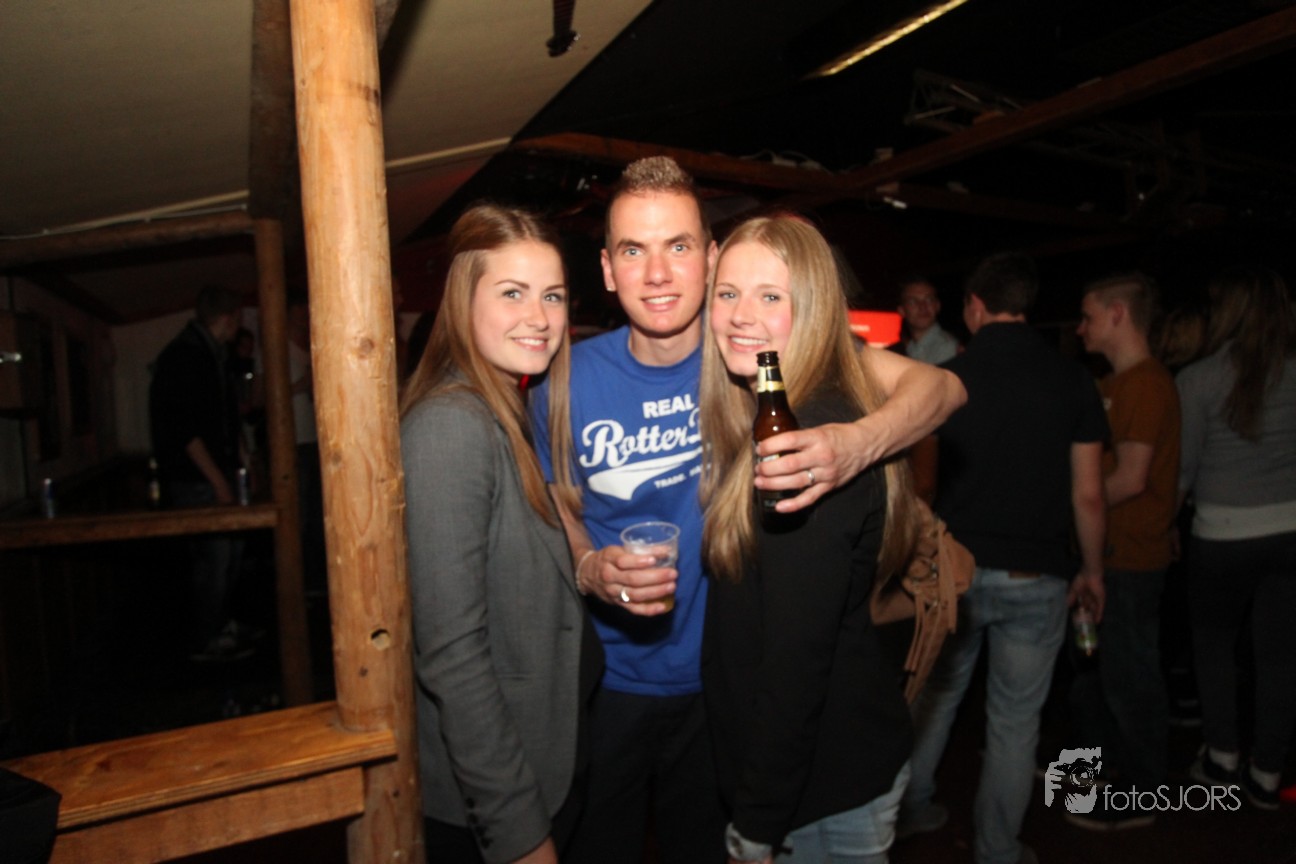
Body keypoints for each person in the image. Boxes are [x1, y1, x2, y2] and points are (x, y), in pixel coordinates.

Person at [530, 156, 966, 864]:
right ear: (607, 270)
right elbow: (560, 505)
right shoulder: (564, 381)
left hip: (724, 696)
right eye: (633, 251)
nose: (657, 273)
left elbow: (941, 388)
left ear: (707, 259)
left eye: (677, 246)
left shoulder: (759, 351)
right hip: (609, 684)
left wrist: (854, 445)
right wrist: (586, 565)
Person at [700, 215, 920, 863]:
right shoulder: (773, 409)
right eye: (728, 293)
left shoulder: (809, 440)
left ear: (816, 310)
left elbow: (795, 666)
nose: (741, 315)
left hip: (822, 795)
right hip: (815, 776)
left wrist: (757, 825)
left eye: (771, 296)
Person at [400, 204, 601, 864]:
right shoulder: (449, 426)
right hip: (501, 807)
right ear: (463, 300)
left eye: (553, 296)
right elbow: (452, 657)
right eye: (512, 293)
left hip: (546, 769)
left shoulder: (501, 405)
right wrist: (519, 836)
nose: (539, 317)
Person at [897, 252, 1108, 864]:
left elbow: (918, 485)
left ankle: (912, 810)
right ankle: (997, 849)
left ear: (974, 306)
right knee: (1015, 724)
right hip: (1036, 573)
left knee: (935, 702)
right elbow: (1089, 494)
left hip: (956, 573)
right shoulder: (1073, 380)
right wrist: (1093, 571)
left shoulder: (945, 378)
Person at [1177, 265, 1296, 811]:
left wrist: (1164, 523)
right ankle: (1268, 773)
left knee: (1214, 646)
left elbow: (1184, 468)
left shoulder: (1198, 378)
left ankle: (1222, 758)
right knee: (1280, 657)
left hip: (1222, 532)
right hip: (1291, 531)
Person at [1066, 272, 1180, 829]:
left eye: (1088, 316)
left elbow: (1131, 478)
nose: (1080, 328)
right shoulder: (1113, 383)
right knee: (1096, 672)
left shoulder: (1147, 384)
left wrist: (1071, 506)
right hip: (1107, 553)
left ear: (1118, 314)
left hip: (1132, 556)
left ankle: (1145, 793)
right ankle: (1103, 772)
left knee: (1131, 679)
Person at [148, 285, 255, 662]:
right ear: (228, 318)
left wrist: (242, 459)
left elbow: (223, 419)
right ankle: (206, 638)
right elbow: (185, 431)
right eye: (237, 318)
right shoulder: (184, 357)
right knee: (213, 560)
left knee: (229, 555)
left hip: (215, 474)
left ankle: (220, 624)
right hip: (197, 480)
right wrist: (219, 482)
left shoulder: (211, 355)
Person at [287, 296, 326, 595]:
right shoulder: (277, 348)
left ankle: (313, 582)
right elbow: (260, 397)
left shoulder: (309, 347)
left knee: (315, 515)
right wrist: (303, 384)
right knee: (296, 516)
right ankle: (295, 586)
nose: (305, 315)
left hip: (314, 440)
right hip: (292, 443)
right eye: (300, 310)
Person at [897, 277, 959, 365]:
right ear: (902, 311)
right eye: (913, 302)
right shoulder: (910, 349)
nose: (923, 307)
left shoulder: (946, 347)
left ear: (937, 306)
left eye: (929, 300)